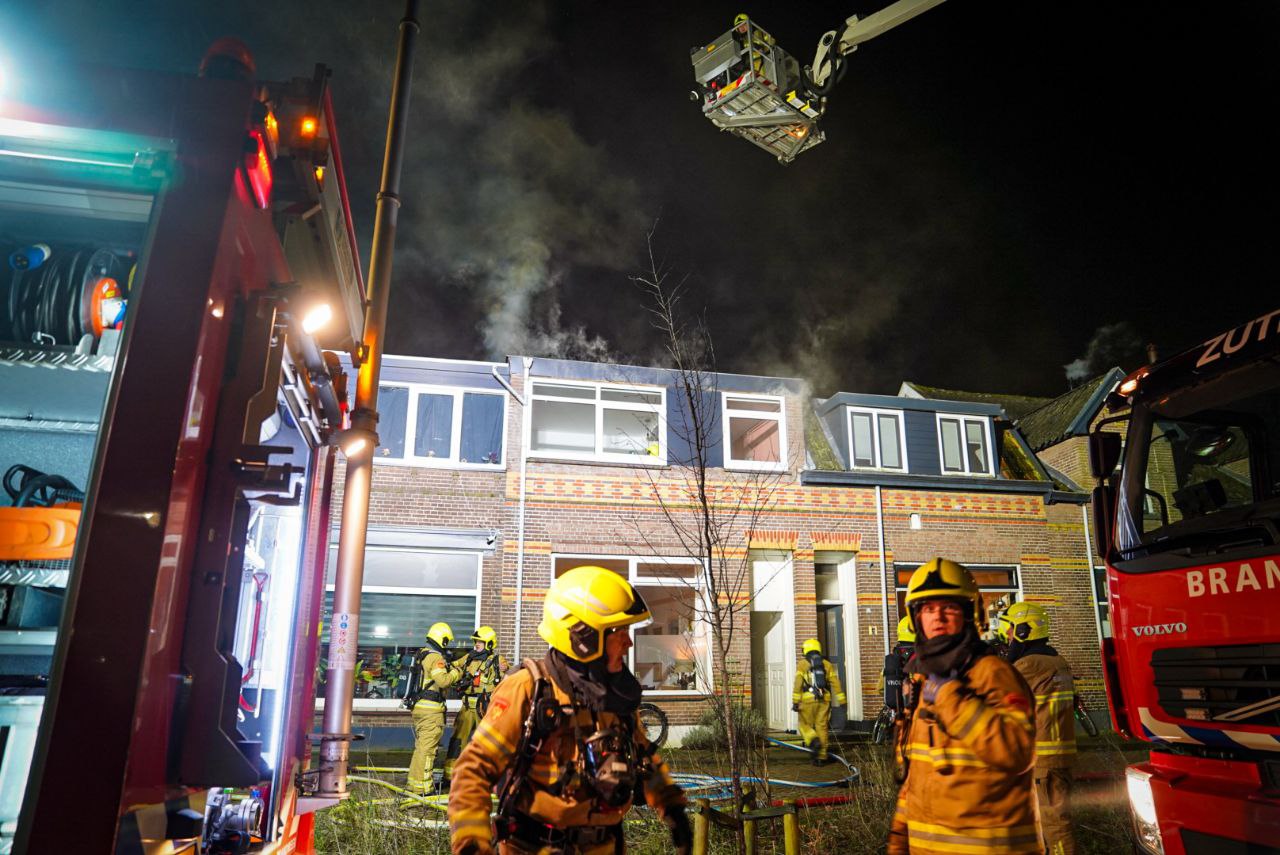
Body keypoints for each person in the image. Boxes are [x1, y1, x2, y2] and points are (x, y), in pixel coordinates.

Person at [448, 566, 691, 855]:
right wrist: (471, 844)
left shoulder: (614, 696)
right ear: (582, 636)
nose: (627, 642)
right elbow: (472, 772)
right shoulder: (528, 690)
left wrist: (672, 806)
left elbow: (644, 757)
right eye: (619, 632)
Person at [888, 558, 1040, 855]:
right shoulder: (923, 679)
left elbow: (1018, 751)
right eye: (928, 609)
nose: (938, 617)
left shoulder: (992, 674)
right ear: (916, 619)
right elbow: (917, 774)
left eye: (949, 608)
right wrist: (898, 839)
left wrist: (949, 698)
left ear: (971, 615)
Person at [998, 603, 1077, 855]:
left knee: (1055, 825)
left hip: (1042, 760)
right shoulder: (1057, 661)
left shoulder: (1029, 666)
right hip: (1056, 756)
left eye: (1010, 630)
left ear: (1023, 631)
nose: (1007, 635)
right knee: (1049, 822)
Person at [446, 626, 511, 777]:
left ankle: (487, 775)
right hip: (467, 705)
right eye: (476, 641)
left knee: (487, 741)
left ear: (489, 643)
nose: (477, 644)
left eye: (480, 641)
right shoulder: (469, 657)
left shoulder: (497, 660)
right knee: (457, 739)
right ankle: (450, 774)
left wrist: (504, 669)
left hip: (485, 706)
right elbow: (454, 666)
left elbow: (506, 674)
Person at [407, 621, 461, 795]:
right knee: (428, 750)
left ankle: (414, 785)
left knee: (421, 748)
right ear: (443, 639)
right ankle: (424, 789)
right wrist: (457, 673)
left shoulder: (422, 654)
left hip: (419, 707)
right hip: (431, 711)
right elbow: (443, 681)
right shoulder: (436, 658)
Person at [792, 638, 846, 765]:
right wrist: (842, 700)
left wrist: (795, 701)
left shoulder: (802, 664)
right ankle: (821, 758)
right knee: (822, 727)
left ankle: (813, 740)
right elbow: (835, 683)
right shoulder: (827, 664)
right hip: (824, 700)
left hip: (807, 700)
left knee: (803, 724)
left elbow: (798, 684)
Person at [883, 616, 917, 715]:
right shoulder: (922, 656)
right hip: (915, 708)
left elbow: (880, 687)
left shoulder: (893, 657)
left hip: (896, 711)